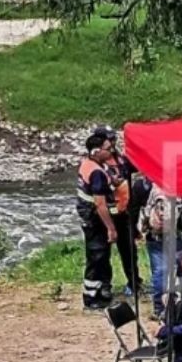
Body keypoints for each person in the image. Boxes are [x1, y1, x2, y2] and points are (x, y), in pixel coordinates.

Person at [93, 125, 143, 296]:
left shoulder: (121, 159)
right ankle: (104, 286)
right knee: (102, 253)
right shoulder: (96, 165)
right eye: (110, 139)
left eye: (114, 138)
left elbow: (138, 166)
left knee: (129, 251)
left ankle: (135, 282)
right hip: (105, 214)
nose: (113, 142)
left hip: (124, 213)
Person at [139, 179, 182, 320]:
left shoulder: (151, 186)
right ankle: (179, 306)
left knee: (160, 272)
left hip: (156, 238)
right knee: (181, 270)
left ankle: (161, 308)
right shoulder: (168, 190)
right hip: (176, 237)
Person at [76, 133, 118, 310]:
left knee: (101, 257)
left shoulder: (90, 164)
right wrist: (111, 228)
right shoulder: (96, 172)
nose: (111, 151)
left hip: (89, 218)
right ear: (96, 151)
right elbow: (100, 204)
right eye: (108, 149)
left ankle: (101, 291)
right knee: (96, 257)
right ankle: (91, 299)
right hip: (96, 221)